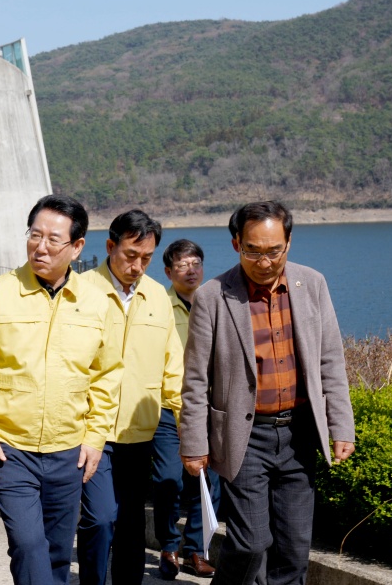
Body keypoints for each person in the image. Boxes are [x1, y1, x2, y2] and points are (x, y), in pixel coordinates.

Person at [179, 201, 356, 585]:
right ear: (235, 244)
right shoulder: (213, 296)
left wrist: (341, 426)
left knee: (294, 549)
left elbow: (331, 361)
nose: (264, 261)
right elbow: (195, 379)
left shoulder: (312, 284)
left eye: (273, 250)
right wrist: (194, 443)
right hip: (245, 436)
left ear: (289, 242)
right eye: (253, 250)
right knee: (250, 544)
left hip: (299, 433)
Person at [0, 194, 124, 585]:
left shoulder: (97, 303)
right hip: (10, 449)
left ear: (77, 246)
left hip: (69, 451)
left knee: (58, 554)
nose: (40, 247)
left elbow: (106, 376)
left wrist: (95, 438)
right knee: (29, 545)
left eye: (53, 239)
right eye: (34, 235)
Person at [77, 210, 183, 585]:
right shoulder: (82, 289)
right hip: (93, 430)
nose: (138, 266)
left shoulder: (157, 295)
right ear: (110, 246)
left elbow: (173, 363)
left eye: (147, 258)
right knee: (101, 517)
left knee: (132, 522)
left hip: (141, 431)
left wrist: (185, 422)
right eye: (130, 255)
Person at [151, 239, 220, 579]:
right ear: (168, 271)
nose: (191, 270)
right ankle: (168, 546)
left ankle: (196, 550)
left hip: (210, 409)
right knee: (168, 480)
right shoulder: (157, 306)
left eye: (196, 263)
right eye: (182, 265)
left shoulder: (215, 302)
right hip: (168, 408)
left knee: (208, 483)